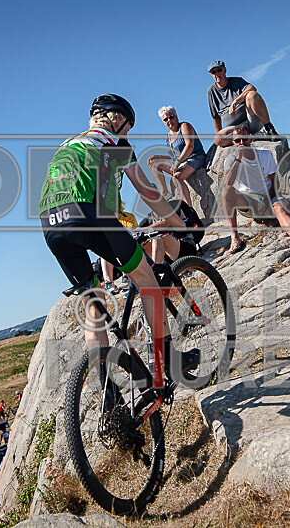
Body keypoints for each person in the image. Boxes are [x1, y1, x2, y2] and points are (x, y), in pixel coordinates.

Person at [38, 93, 199, 378]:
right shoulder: (114, 142)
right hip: (89, 214)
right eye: (128, 125)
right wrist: (177, 221)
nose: (128, 132)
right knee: (146, 279)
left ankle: (107, 392)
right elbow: (147, 190)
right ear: (115, 118)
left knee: (93, 302)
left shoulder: (72, 142)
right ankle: (170, 362)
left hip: (50, 222)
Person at [221, 125, 290, 253]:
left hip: (267, 196)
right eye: (237, 141)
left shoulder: (264, 154)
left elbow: (274, 181)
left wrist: (266, 199)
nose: (242, 143)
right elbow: (227, 184)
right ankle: (235, 238)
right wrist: (238, 159)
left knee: (279, 207)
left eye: (244, 139)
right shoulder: (231, 159)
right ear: (233, 143)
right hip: (247, 201)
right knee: (226, 192)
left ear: (251, 138)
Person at [206, 60, 280, 147]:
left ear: (225, 70)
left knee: (252, 95)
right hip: (234, 129)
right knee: (218, 140)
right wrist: (219, 134)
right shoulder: (211, 91)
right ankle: (253, 137)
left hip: (251, 122)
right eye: (213, 72)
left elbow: (252, 88)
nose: (217, 74)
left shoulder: (237, 81)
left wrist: (235, 102)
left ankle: (269, 129)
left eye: (219, 70)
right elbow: (215, 116)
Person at [147, 106, 207, 207]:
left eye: (171, 117)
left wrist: (177, 163)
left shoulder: (184, 126)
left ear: (176, 116)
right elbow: (174, 155)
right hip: (181, 162)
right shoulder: (169, 136)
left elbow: (190, 146)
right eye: (165, 119)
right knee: (153, 163)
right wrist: (157, 156)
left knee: (176, 178)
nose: (169, 121)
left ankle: (190, 209)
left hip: (195, 157)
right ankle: (165, 192)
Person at [138, 199, 204, 263]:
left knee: (158, 235)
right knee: (143, 242)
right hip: (167, 256)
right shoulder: (149, 217)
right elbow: (138, 231)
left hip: (186, 248)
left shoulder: (172, 206)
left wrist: (145, 230)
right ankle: (157, 267)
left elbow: (165, 223)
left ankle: (156, 267)